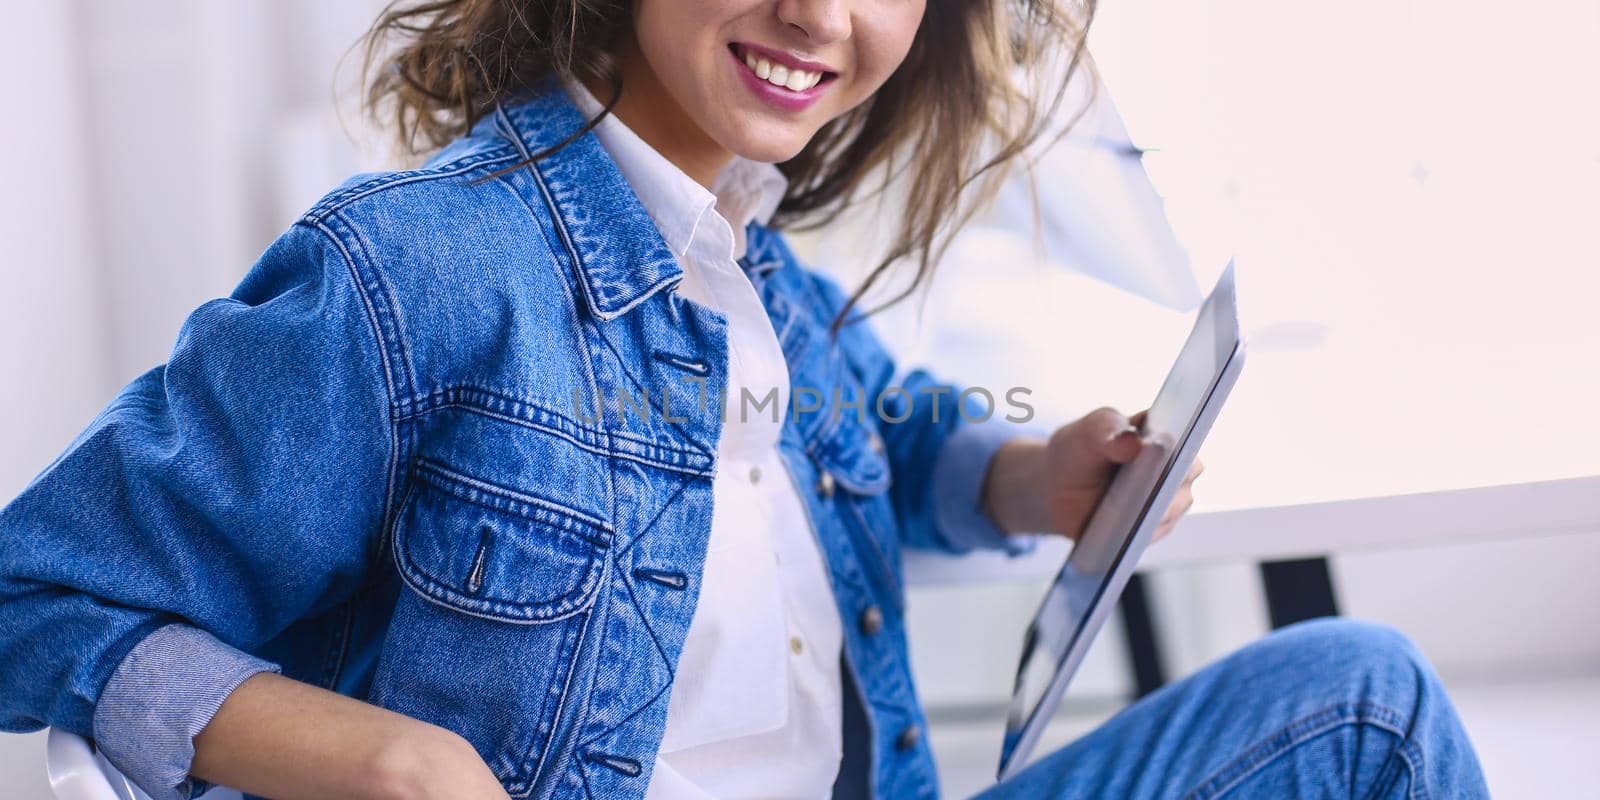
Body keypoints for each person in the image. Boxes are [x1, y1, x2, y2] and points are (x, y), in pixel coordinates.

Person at [0, 1, 1489, 799]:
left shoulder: (750, 265)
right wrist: (374, 758)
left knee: (1360, 695)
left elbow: (875, 432)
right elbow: (37, 595)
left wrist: (1027, 476)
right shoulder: (419, 266)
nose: (820, 11)